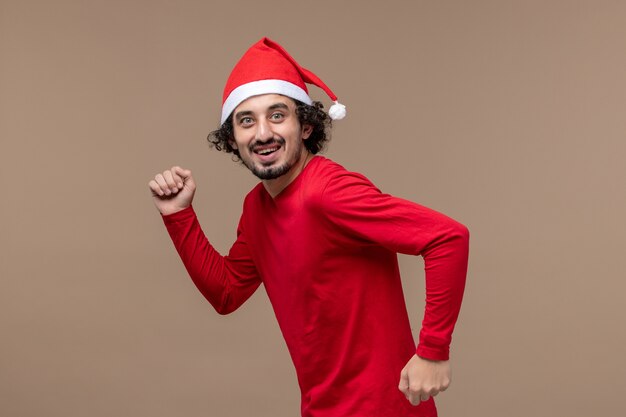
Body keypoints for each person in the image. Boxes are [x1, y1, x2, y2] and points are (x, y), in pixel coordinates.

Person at [148, 37, 469, 417]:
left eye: (278, 115)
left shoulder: (327, 191)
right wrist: (178, 214)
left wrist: (432, 352)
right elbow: (226, 292)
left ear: (305, 127)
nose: (263, 132)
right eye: (246, 120)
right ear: (233, 139)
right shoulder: (256, 208)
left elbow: (448, 237)